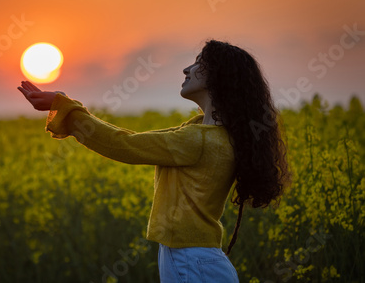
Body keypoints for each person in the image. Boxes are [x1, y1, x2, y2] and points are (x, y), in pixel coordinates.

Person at [17, 39, 291, 283]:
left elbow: (125, 145)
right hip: (199, 261)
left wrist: (67, 109)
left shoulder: (200, 140)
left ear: (218, 78)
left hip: (191, 262)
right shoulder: (209, 135)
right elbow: (130, 138)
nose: (187, 70)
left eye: (199, 64)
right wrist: (65, 105)